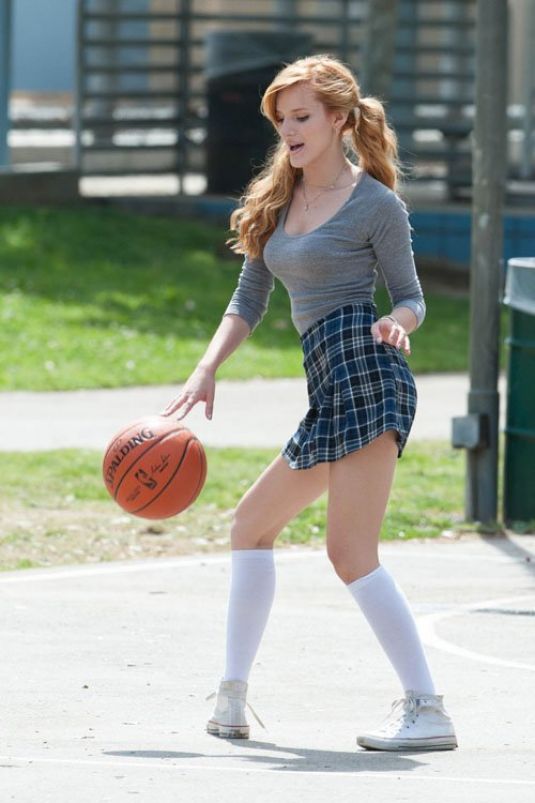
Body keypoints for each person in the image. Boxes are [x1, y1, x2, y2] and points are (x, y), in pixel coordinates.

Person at [163, 54, 457, 752]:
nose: (288, 131)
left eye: (301, 117)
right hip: (327, 383)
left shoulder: (376, 204)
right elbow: (248, 298)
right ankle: (232, 697)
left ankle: (426, 708)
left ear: (339, 120)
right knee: (250, 526)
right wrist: (206, 368)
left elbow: (411, 296)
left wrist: (398, 324)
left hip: (369, 373)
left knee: (349, 551)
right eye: (281, 120)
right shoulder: (277, 199)